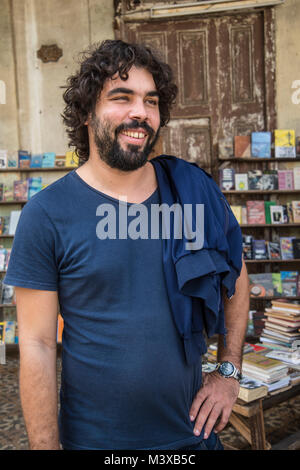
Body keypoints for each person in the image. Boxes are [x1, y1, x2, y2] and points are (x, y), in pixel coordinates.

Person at [5, 40, 249, 451]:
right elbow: (38, 343)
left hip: (193, 437)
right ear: (86, 113)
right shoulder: (47, 214)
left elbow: (236, 278)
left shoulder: (191, 193)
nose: (140, 112)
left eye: (150, 101)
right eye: (122, 97)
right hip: (96, 441)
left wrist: (228, 371)